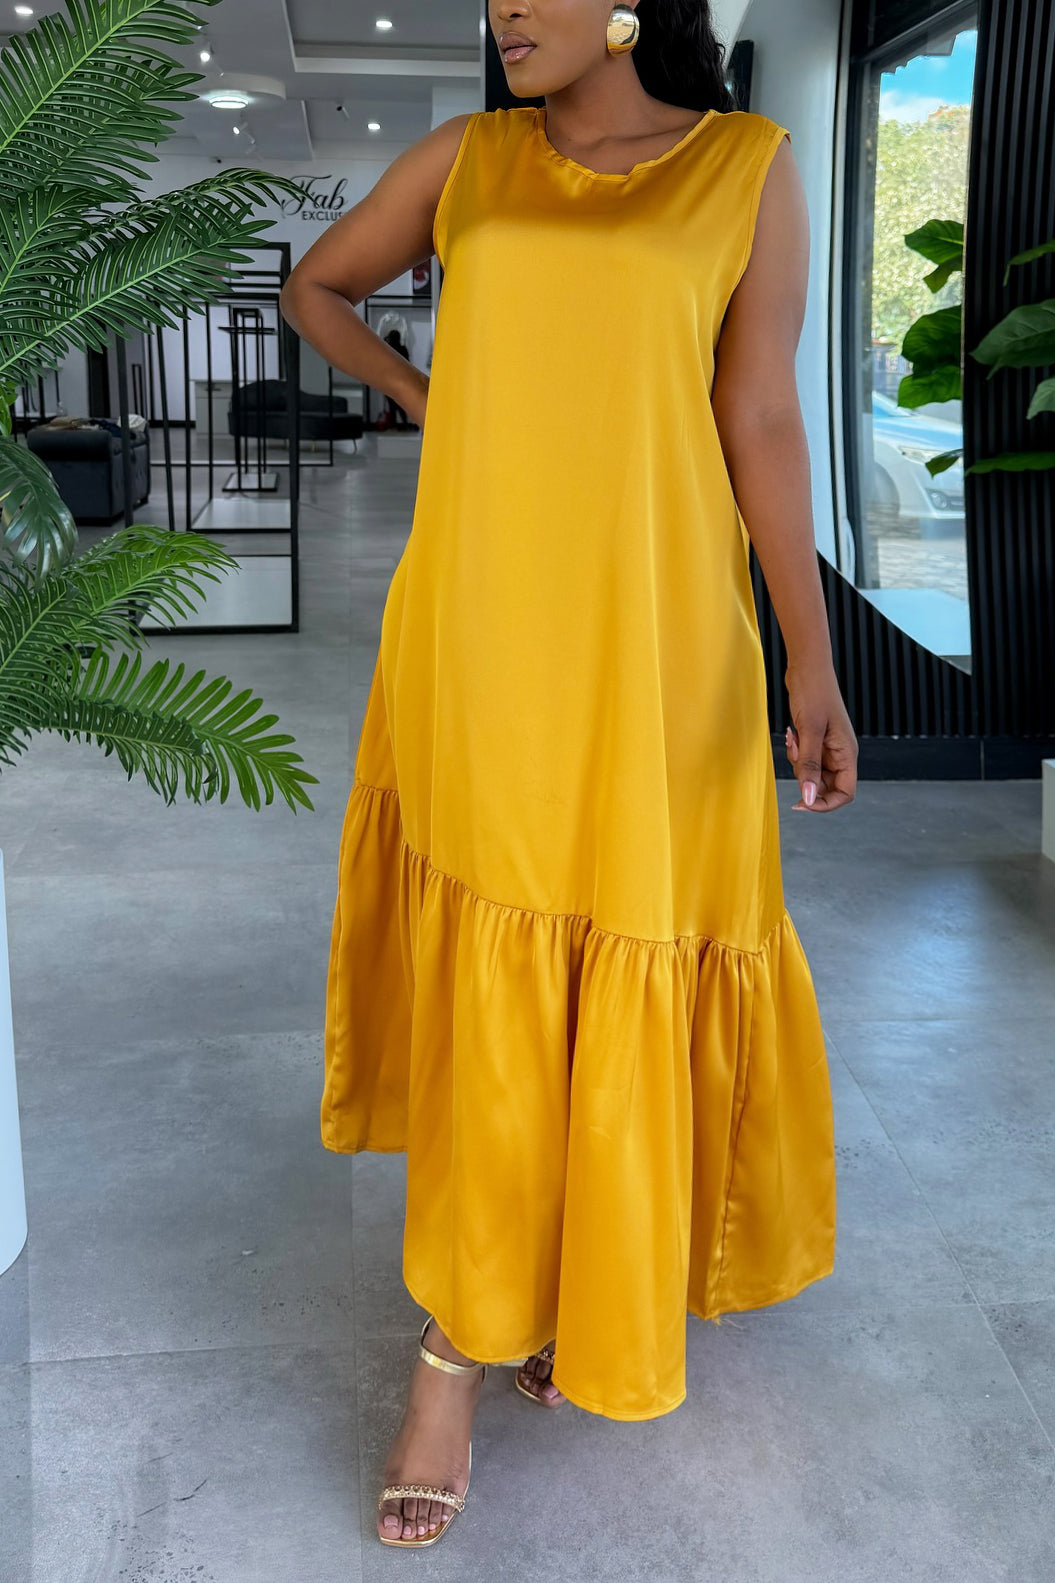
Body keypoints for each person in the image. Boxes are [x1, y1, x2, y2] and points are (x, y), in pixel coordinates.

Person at [279, 0, 858, 1552]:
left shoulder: (746, 166)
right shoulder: (469, 160)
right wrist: (432, 401)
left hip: (664, 639)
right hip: (489, 633)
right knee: (510, 962)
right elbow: (316, 286)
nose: (504, 10)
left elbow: (758, 411)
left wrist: (808, 660)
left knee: (635, 935)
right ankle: (455, 1349)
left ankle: (580, 1282)